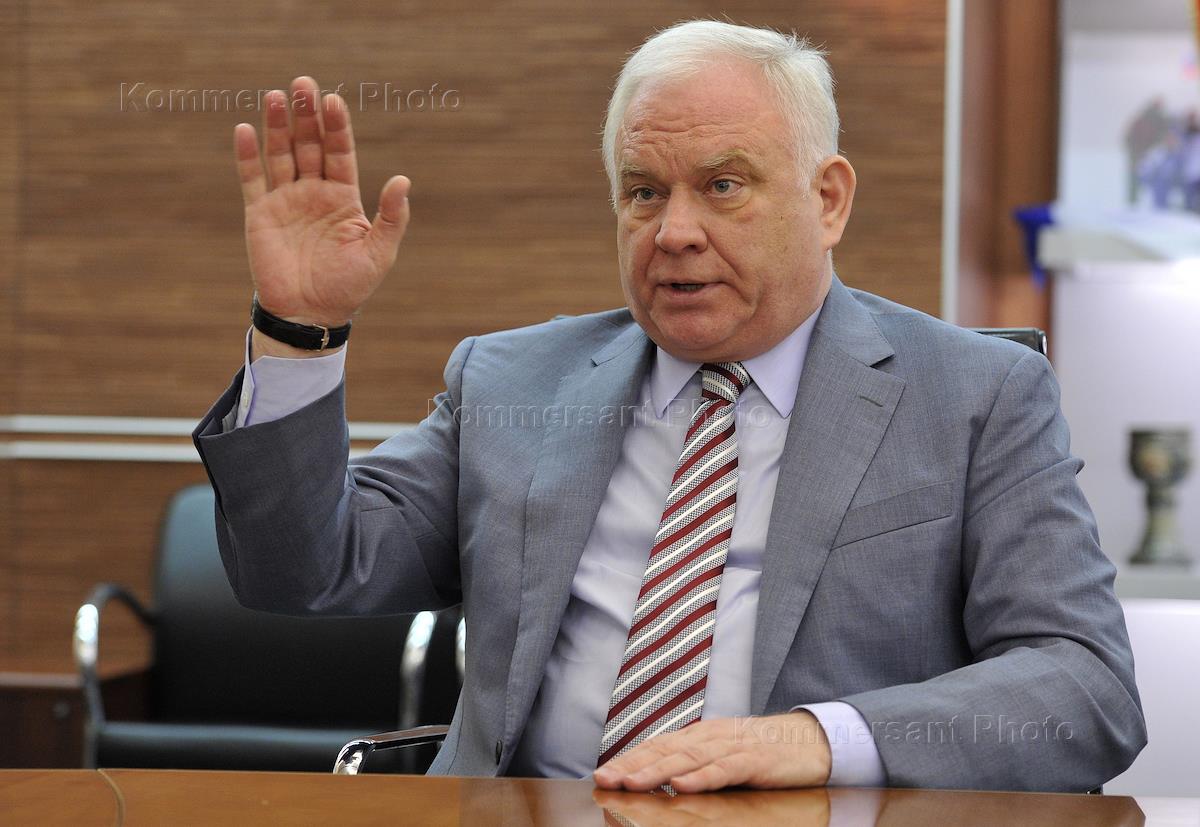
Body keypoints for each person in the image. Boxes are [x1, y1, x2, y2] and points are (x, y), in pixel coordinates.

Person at [193, 21, 1145, 792]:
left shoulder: (977, 395)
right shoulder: (514, 383)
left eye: (724, 186)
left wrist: (817, 739)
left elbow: (1086, 687)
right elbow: (301, 572)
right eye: (644, 193)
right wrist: (300, 330)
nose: (674, 232)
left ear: (828, 200)